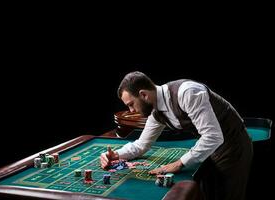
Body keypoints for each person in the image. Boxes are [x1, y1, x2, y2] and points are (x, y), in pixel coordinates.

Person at [100, 71, 253, 200]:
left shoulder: (187, 92)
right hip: (212, 149)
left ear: (143, 95)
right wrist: (117, 155)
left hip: (233, 146)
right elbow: (141, 145)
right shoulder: (156, 112)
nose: (131, 110)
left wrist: (179, 163)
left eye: (131, 104)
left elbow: (213, 136)